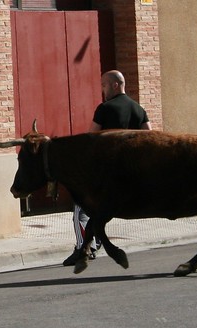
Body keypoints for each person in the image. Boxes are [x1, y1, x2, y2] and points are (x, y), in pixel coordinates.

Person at [63, 70, 152, 266]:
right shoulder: (139, 109)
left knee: (81, 209)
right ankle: (94, 242)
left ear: (114, 85)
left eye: (103, 85)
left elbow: (91, 139)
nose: (102, 90)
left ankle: (83, 248)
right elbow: (150, 139)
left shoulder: (104, 109)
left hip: (106, 173)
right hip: (132, 174)